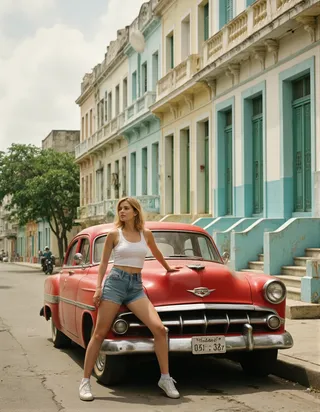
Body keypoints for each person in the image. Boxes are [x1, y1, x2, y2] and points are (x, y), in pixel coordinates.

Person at [79, 197, 182, 401]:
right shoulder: (114, 234)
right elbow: (104, 263)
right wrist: (98, 288)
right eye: (120, 209)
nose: (122, 212)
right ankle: (85, 382)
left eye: (126, 208)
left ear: (135, 212)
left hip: (136, 286)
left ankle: (165, 378)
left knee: (160, 330)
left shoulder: (146, 234)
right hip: (115, 284)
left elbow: (157, 253)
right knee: (99, 334)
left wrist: (169, 268)